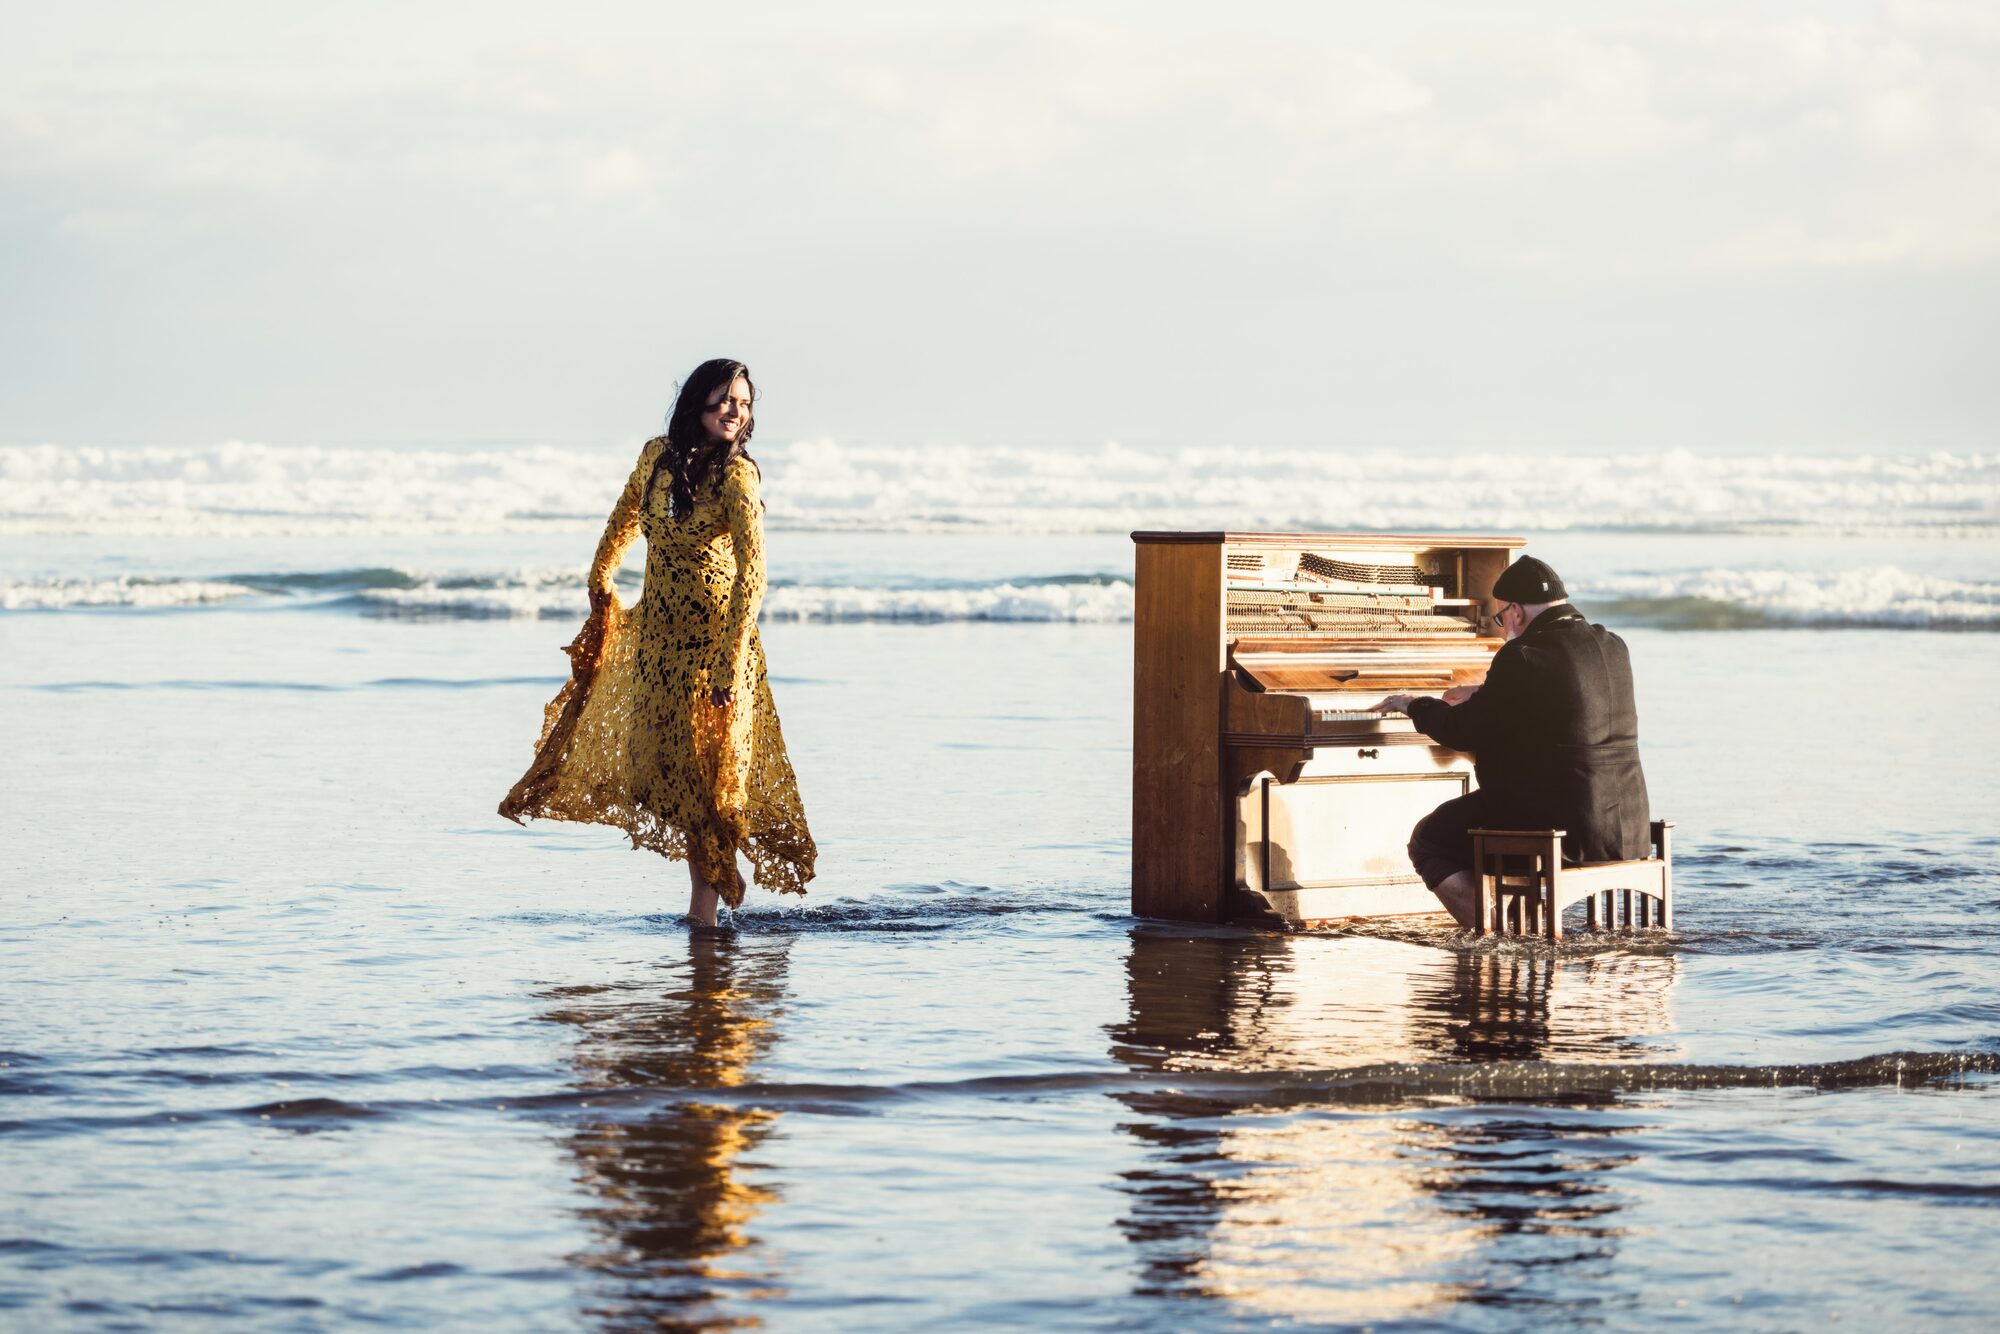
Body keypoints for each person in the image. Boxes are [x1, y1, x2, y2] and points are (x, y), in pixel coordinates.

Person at [501, 359, 816, 926]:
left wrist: (727, 662)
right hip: (658, 644)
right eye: (723, 400)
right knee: (660, 768)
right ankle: (714, 881)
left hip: (717, 651)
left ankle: (704, 912)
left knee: (708, 778)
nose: (734, 412)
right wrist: (601, 577)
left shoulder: (738, 477)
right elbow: (624, 516)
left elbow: (754, 574)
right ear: (694, 403)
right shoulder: (656, 458)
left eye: (743, 404)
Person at [1376, 555, 1649, 929]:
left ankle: (1494, 937)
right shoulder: (1612, 644)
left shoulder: (1521, 655)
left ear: (1516, 612)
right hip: (1625, 823)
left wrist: (1413, 704)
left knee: (1430, 839)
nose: (1504, 628)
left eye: (1501, 618)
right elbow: (1566, 702)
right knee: (1479, 817)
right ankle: (1520, 922)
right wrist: (1484, 692)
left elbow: (1461, 732)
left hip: (1559, 823)